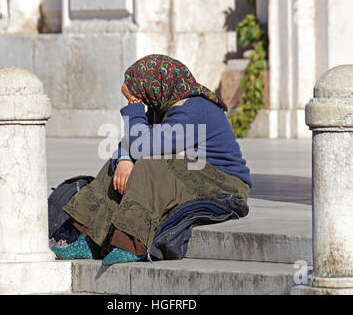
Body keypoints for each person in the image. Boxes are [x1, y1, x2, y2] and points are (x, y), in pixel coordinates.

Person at [51, 54, 253, 265]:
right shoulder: (163, 105)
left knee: (149, 167)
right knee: (117, 168)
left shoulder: (194, 109)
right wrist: (124, 160)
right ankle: (91, 240)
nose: (139, 102)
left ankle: (132, 243)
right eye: (135, 99)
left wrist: (134, 109)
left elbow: (144, 148)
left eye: (138, 97)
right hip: (191, 173)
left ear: (155, 86)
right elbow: (130, 143)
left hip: (223, 181)